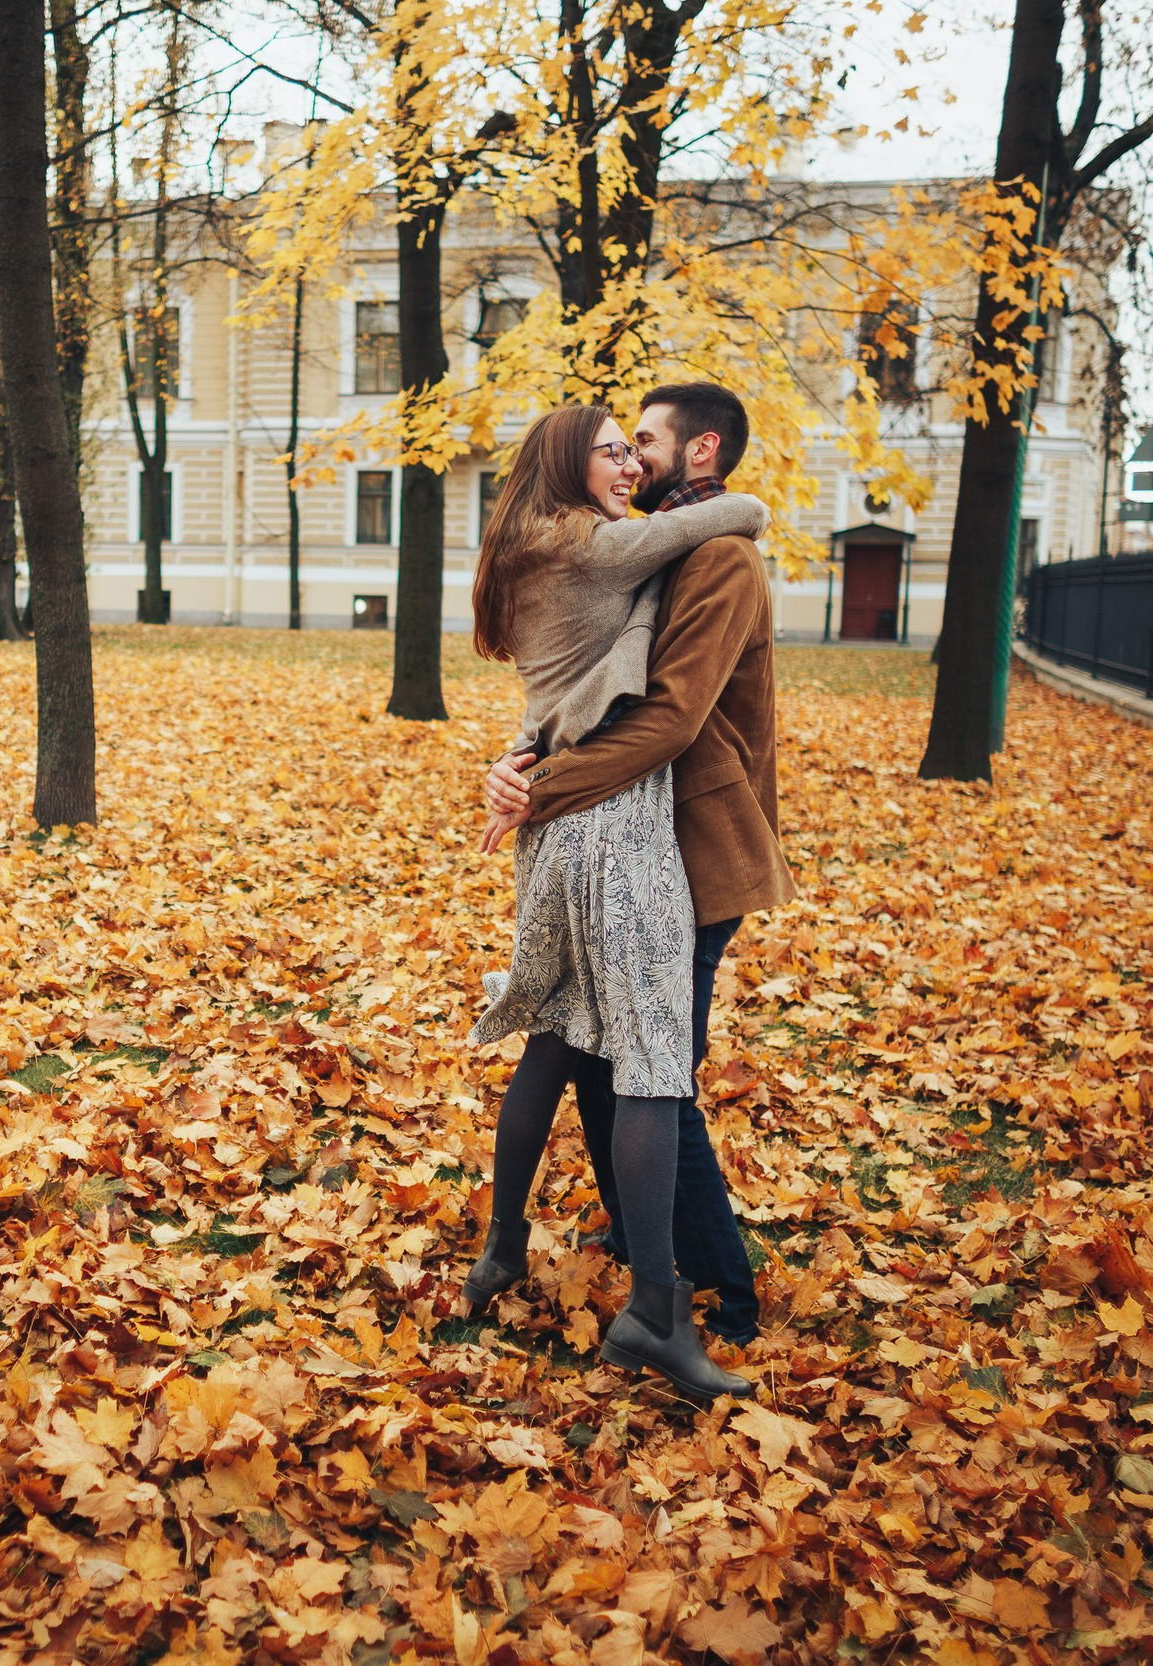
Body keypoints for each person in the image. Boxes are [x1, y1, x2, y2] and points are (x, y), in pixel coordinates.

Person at [461, 401, 769, 1406]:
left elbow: (670, 709)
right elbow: (623, 689)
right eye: (614, 445)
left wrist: (526, 772)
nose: (632, 461)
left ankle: (600, 1261)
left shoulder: (686, 556)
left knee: (599, 1051)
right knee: (633, 1062)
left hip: (654, 824)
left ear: (701, 448)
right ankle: (661, 1291)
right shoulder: (610, 545)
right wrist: (528, 771)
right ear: (569, 463)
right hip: (614, 819)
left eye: (642, 442)